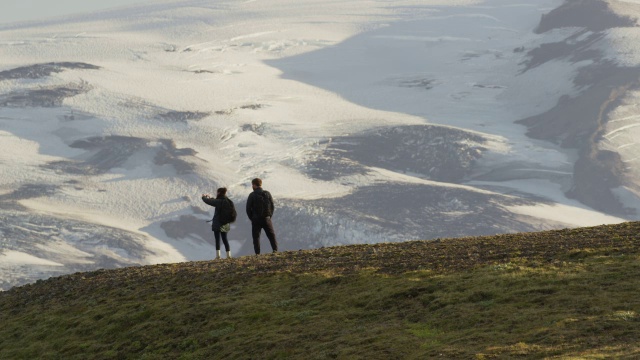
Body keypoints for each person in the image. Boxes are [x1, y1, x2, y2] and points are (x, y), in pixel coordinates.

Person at [246, 178, 278, 254]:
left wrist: (252, 218)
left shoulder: (252, 195)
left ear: (254, 185)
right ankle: (275, 250)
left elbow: (248, 208)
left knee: (256, 237)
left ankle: (257, 253)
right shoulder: (267, 193)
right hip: (266, 218)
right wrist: (269, 216)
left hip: (256, 219)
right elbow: (272, 206)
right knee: (271, 235)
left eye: (252, 185)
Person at [202, 187, 233, 259]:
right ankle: (229, 255)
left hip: (218, 223)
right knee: (225, 239)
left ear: (219, 193)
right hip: (225, 223)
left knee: (217, 239)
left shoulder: (219, 202)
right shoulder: (228, 201)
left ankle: (218, 256)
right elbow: (215, 201)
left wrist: (204, 197)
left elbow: (209, 202)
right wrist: (211, 198)